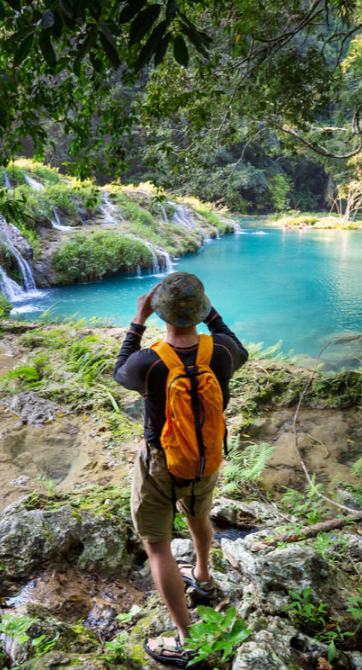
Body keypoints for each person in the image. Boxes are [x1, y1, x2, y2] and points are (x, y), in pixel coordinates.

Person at [113, 272, 248, 666]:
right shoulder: (221, 351)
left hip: (160, 462)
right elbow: (235, 342)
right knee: (199, 513)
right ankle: (203, 577)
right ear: (203, 310)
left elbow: (120, 368)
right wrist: (208, 312)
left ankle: (187, 640)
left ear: (159, 313)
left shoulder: (149, 363)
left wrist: (137, 321)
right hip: (206, 457)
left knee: (157, 547)